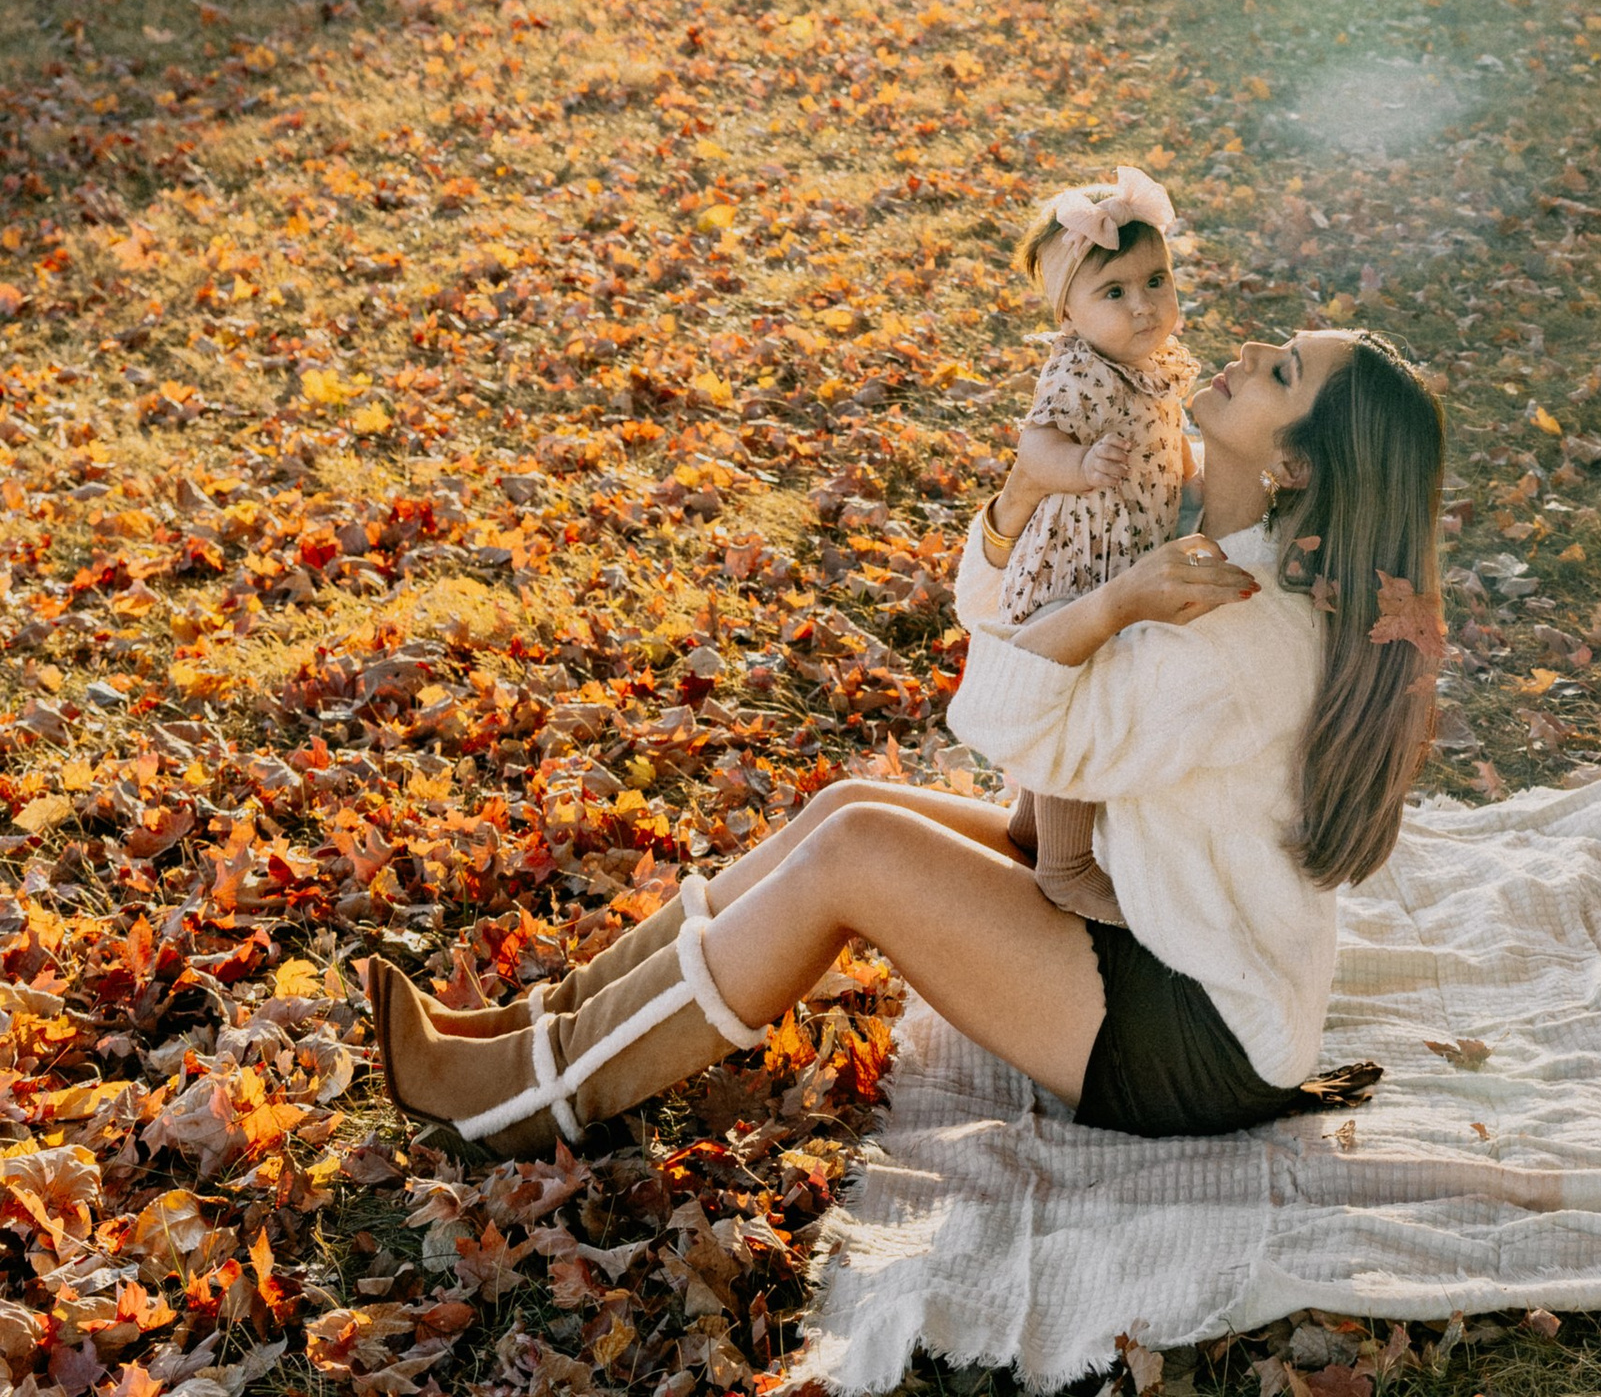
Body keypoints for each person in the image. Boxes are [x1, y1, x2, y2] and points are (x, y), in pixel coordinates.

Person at [363, 324, 1446, 1153]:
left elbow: (1010, 724)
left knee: (856, 859)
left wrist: (1107, 610)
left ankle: (527, 1100)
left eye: (1282, 374)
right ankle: (541, 1026)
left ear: (1297, 466)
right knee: (842, 811)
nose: (1251, 352)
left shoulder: (1237, 627)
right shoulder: (1184, 512)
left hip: (1192, 1024)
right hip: (1138, 902)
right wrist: (1028, 495)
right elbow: (1000, 608)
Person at [989, 164, 1201, 926]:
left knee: (1086, 700)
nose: (1144, 306)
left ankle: (1030, 825)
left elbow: (1169, 438)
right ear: (1070, 313)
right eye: (1115, 293)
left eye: (1156, 281)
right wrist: (1077, 466)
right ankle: (1066, 864)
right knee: (1085, 704)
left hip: (1122, 553)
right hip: (1074, 572)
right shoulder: (1082, 371)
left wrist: (1189, 474)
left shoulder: (1153, 364)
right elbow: (1032, 450)